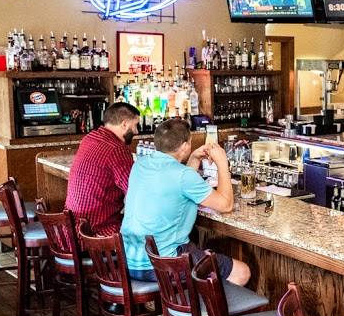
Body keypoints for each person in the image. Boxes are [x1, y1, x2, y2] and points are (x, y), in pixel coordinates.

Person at [121, 119, 251, 286]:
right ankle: (203, 303)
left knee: (199, 254)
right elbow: (226, 205)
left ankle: (189, 301)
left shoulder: (140, 164)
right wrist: (222, 163)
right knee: (241, 272)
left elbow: (179, 184)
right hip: (163, 264)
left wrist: (194, 157)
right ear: (184, 146)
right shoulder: (183, 176)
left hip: (130, 261)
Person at [65, 102, 140, 235]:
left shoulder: (89, 138)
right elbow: (135, 190)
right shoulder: (116, 149)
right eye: (135, 125)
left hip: (73, 228)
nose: (136, 131)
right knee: (153, 231)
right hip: (97, 231)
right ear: (124, 124)